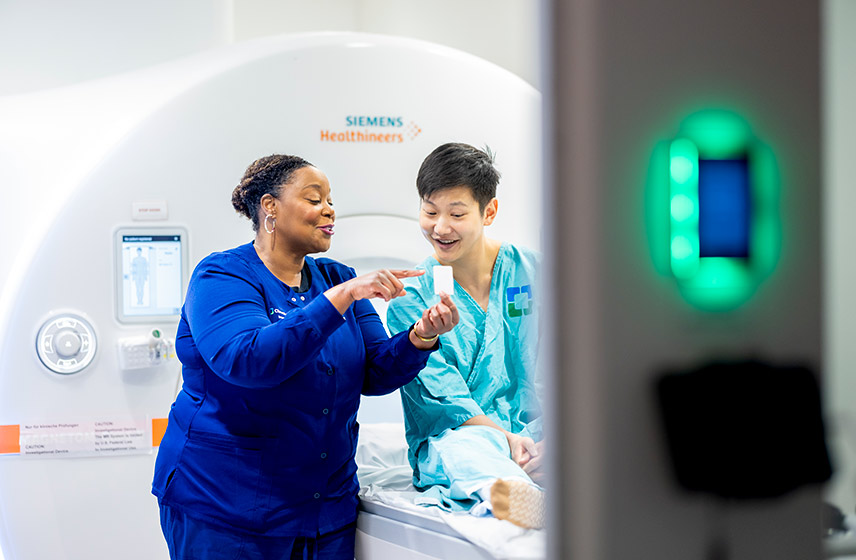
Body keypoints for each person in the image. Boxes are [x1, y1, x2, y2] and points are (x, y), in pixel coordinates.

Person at [152, 154, 458, 560]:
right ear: (270, 207)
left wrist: (420, 336)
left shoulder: (336, 276)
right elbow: (248, 360)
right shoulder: (222, 276)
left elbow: (374, 372)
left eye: (331, 200)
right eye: (314, 199)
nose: (329, 209)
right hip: (226, 507)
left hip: (326, 508)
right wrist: (340, 298)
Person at [386, 143, 545, 529]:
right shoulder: (411, 300)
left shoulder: (532, 272)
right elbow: (443, 399)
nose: (440, 228)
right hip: (466, 434)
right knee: (463, 451)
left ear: (489, 211)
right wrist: (509, 440)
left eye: (456, 214)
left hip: (539, 429)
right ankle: (517, 497)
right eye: (430, 212)